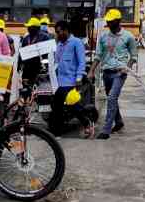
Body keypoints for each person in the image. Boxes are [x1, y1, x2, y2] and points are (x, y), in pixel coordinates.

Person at [88, 9, 138, 140]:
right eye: (108, 21)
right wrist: (91, 70)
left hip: (119, 73)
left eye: (111, 22)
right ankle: (119, 122)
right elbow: (98, 56)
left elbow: (134, 56)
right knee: (112, 99)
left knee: (111, 99)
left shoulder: (128, 36)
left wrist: (127, 67)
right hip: (106, 72)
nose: (109, 24)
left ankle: (106, 130)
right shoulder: (104, 37)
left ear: (118, 21)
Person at [50, 21, 94, 138]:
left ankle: (87, 123)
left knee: (72, 104)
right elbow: (57, 62)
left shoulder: (76, 43)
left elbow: (81, 62)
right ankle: (57, 133)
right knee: (57, 106)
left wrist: (79, 77)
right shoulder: (59, 45)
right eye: (56, 33)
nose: (58, 34)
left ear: (66, 30)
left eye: (59, 32)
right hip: (60, 81)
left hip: (72, 80)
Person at [19, 17, 52, 86]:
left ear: (36, 28)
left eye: (30, 27)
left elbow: (50, 54)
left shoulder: (45, 37)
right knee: (26, 89)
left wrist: (46, 66)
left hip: (39, 69)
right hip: (27, 69)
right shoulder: (26, 38)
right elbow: (21, 53)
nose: (28, 28)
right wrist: (19, 65)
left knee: (37, 89)